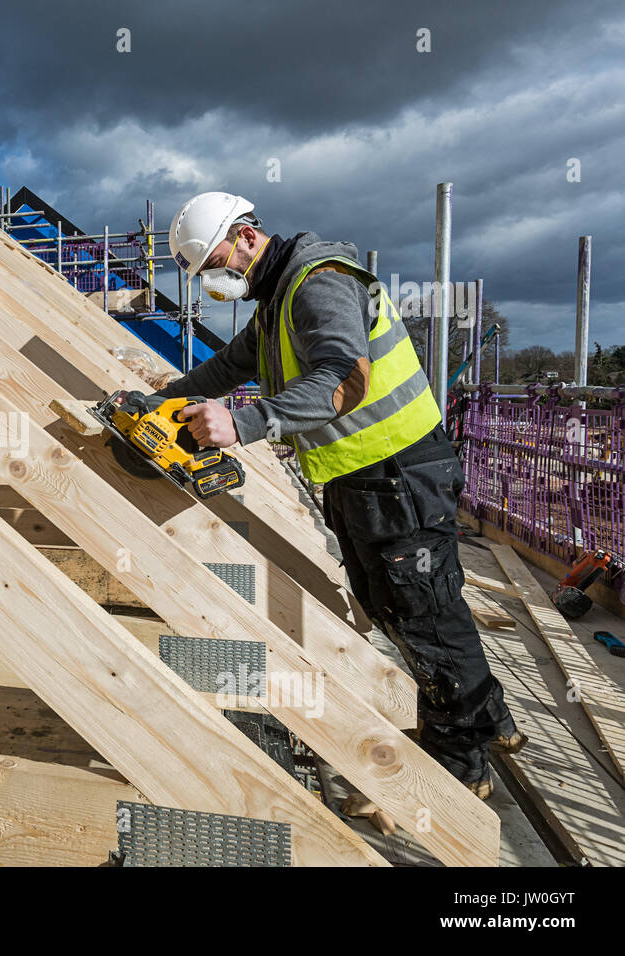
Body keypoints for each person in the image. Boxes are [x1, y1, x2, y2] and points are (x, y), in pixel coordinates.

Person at [155, 191, 525, 798]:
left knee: (426, 616)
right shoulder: (276, 301)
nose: (215, 281)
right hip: (363, 477)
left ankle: (460, 768)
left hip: (400, 473)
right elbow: (227, 367)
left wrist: (245, 424)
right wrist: (163, 399)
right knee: (393, 608)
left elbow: (343, 380)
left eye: (216, 262)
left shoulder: (317, 282)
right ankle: (486, 716)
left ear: (248, 236)